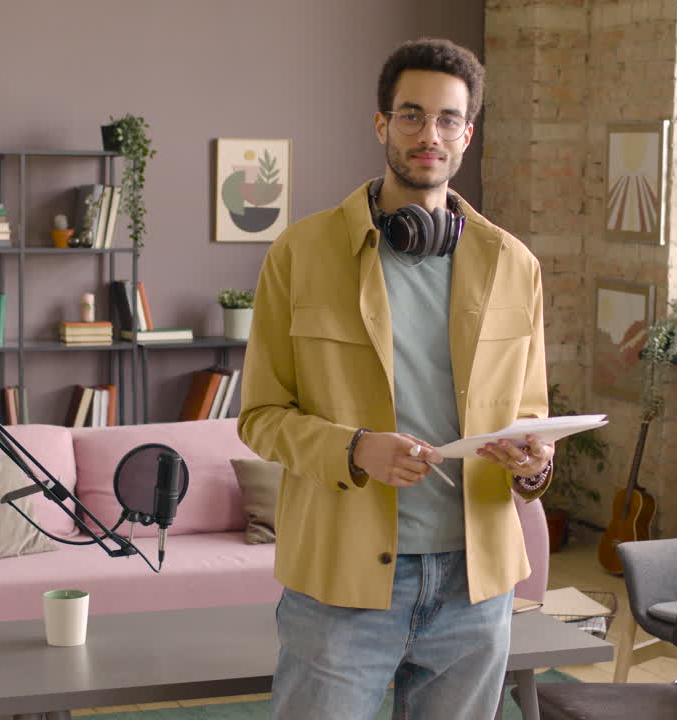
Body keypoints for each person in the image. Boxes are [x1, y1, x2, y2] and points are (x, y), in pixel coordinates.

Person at [237, 36, 555, 720]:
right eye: (412, 115)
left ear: (467, 135)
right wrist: (354, 450)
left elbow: (532, 419)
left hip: (475, 588)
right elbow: (259, 417)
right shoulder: (300, 253)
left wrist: (535, 464)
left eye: (447, 119)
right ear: (382, 123)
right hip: (340, 581)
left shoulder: (514, 264)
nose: (429, 134)